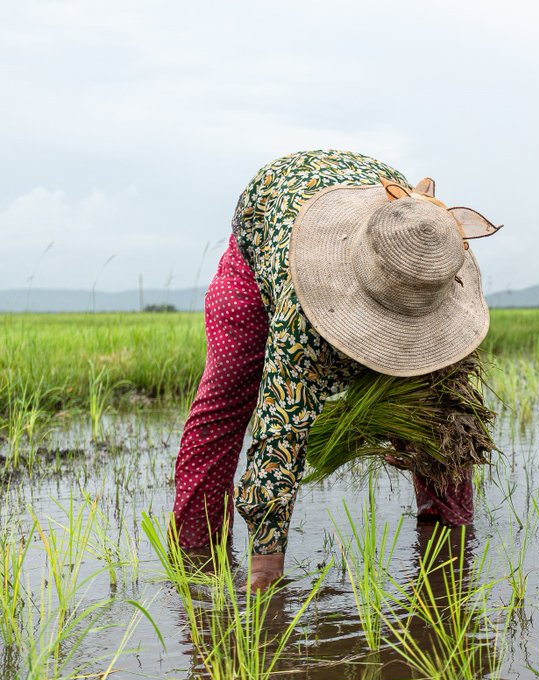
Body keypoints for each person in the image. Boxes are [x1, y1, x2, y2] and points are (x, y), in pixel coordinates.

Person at [171, 149, 499, 591]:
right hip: (269, 227)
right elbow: (278, 440)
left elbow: (453, 431)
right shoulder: (302, 320)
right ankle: (196, 559)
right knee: (224, 401)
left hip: (380, 218)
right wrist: (266, 576)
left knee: (437, 416)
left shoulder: (430, 257)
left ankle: (448, 552)